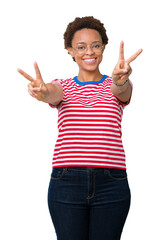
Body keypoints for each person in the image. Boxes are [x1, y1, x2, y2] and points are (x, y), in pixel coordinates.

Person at [18, 16, 142, 240]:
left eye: (95, 45)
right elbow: (52, 93)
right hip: (66, 181)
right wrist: (43, 92)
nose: (89, 52)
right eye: (81, 47)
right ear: (70, 51)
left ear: (103, 47)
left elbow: (121, 90)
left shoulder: (116, 85)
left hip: (111, 182)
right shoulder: (63, 86)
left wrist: (120, 79)